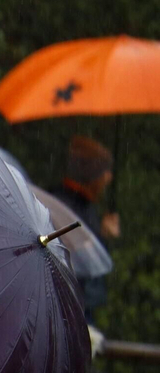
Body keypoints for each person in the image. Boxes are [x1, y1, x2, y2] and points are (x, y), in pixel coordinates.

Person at [52, 135, 118, 316]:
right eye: (105, 170)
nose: (109, 177)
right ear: (94, 174)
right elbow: (81, 263)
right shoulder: (71, 209)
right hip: (72, 308)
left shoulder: (71, 202)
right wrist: (101, 236)